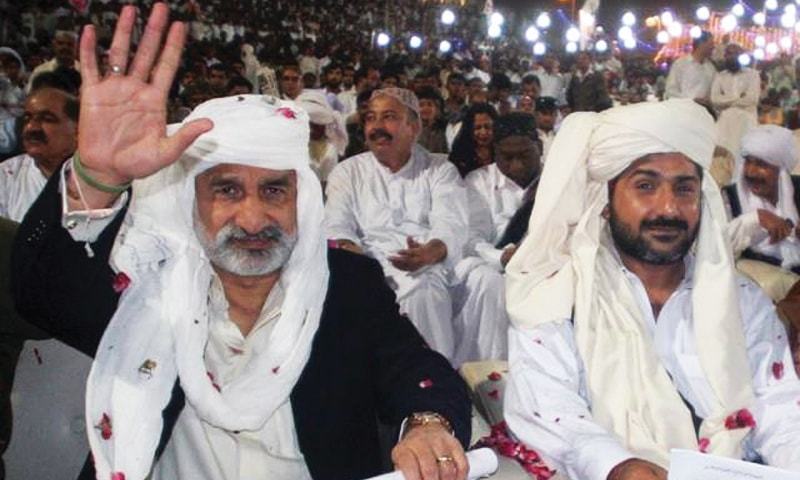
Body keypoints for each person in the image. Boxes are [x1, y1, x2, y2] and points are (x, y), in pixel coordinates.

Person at [11, 5, 471, 480]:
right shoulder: (149, 286)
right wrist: (97, 177)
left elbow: (420, 372)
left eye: (274, 191)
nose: (252, 219)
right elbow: (38, 292)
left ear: (301, 200)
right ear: (191, 201)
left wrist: (428, 426)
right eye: (227, 190)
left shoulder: (347, 288)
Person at [503, 99, 800, 480]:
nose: (668, 208)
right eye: (645, 186)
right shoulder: (557, 296)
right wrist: (616, 465)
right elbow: (548, 406)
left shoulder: (742, 300)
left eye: (684, 189)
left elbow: (779, 410)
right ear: (604, 200)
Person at [324, 87, 468, 362]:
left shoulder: (439, 169)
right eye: (370, 118)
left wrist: (430, 252)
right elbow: (336, 223)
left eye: (388, 117)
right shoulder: (348, 171)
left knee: (463, 282)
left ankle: (454, 377)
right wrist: (352, 255)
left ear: (413, 127)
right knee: (414, 287)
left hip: (431, 260)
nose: (376, 126)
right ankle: (416, 379)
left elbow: (450, 221)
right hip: (369, 260)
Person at [451, 112, 543, 365]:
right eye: (507, 157)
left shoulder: (556, 181)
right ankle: (488, 371)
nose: (516, 165)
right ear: (495, 152)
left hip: (543, 264)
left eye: (524, 155)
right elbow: (471, 238)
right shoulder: (477, 181)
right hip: (492, 264)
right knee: (488, 282)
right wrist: (501, 257)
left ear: (539, 147)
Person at [725, 125, 800, 273]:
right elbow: (716, 248)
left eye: (761, 164)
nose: (750, 172)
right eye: (747, 162)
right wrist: (755, 219)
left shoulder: (797, 186)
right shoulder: (728, 197)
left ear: (781, 170)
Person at [0, 86, 77, 221]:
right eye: (27, 119)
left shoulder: (101, 177)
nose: (31, 127)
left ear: (77, 129)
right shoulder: (6, 176)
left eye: (47, 119)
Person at [711, 43, 760, 155]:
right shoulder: (720, 76)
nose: (731, 57)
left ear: (741, 55)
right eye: (728, 54)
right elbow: (715, 99)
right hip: (725, 123)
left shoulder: (753, 75)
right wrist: (738, 98)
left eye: (735, 54)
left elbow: (752, 99)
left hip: (746, 121)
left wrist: (725, 100)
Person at [295, 89, 348, 183]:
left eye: (316, 125)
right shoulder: (293, 146)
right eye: (308, 125)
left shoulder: (330, 149)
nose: (311, 130)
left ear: (325, 126)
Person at [664, 31, 715, 107]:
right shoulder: (681, 64)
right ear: (701, 44)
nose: (713, 47)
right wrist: (691, 100)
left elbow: (713, 93)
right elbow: (670, 91)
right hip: (683, 109)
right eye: (711, 44)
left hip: (704, 111)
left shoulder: (711, 68)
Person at [448, 103, 498, 177]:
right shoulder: (459, 157)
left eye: (487, 127)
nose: (483, 132)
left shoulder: (503, 153)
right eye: (477, 128)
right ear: (469, 129)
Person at [416, 86, 448, 154]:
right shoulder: (410, 131)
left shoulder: (445, 131)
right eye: (421, 105)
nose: (425, 108)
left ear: (437, 109)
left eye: (429, 104)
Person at [534, 96, 558, 161]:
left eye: (551, 114)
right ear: (536, 114)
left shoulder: (560, 137)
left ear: (556, 115)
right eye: (544, 113)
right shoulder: (530, 137)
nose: (548, 118)